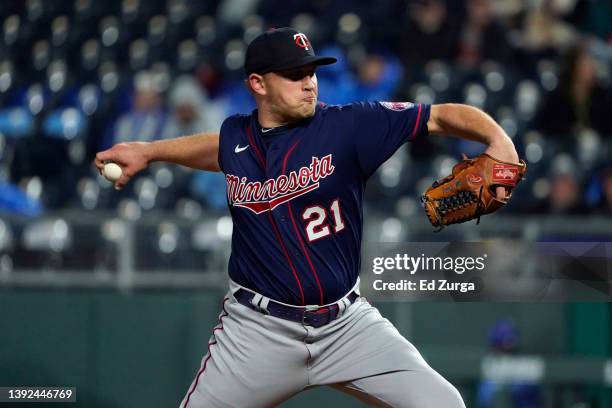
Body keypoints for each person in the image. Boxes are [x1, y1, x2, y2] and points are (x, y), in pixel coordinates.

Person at [95, 27, 520, 408]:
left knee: (445, 404)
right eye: (295, 75)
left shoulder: (351, 126)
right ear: (258, 84)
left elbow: (440, 115)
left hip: (347, 327)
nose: (309, 83)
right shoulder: (236, 138)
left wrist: (500, 142)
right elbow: (217, 149)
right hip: (257, 333)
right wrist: (148, 151)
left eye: (312, 72)